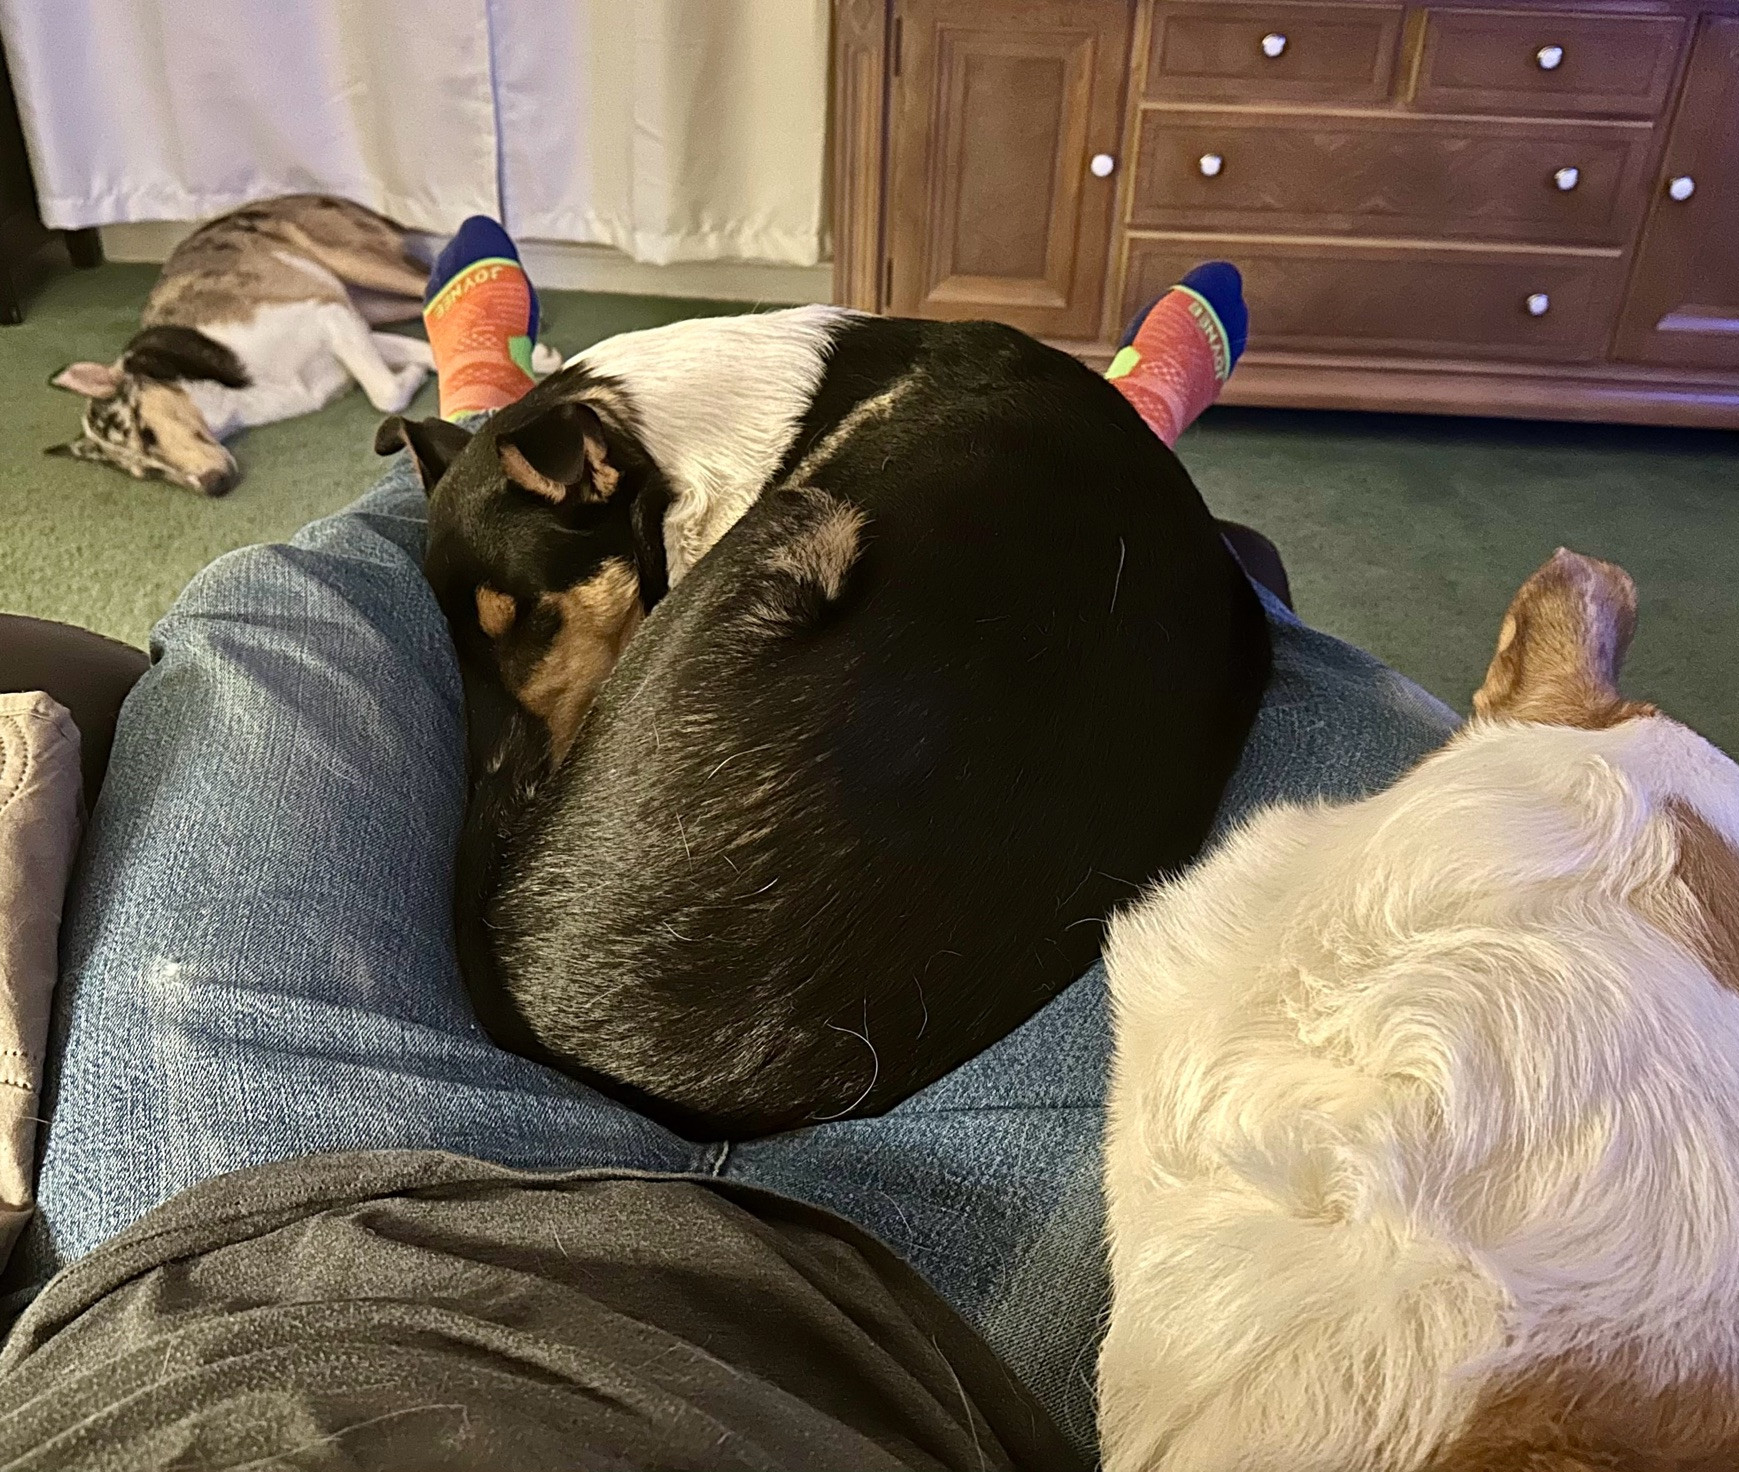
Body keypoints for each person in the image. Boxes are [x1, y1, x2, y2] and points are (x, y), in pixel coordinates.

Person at [0, 226, 1456, 1468]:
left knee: (275, 600)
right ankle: (1109, 437)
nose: (527, 726)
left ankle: (494, 412)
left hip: (266, 1249)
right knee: (1344, 714)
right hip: (928, 1337)